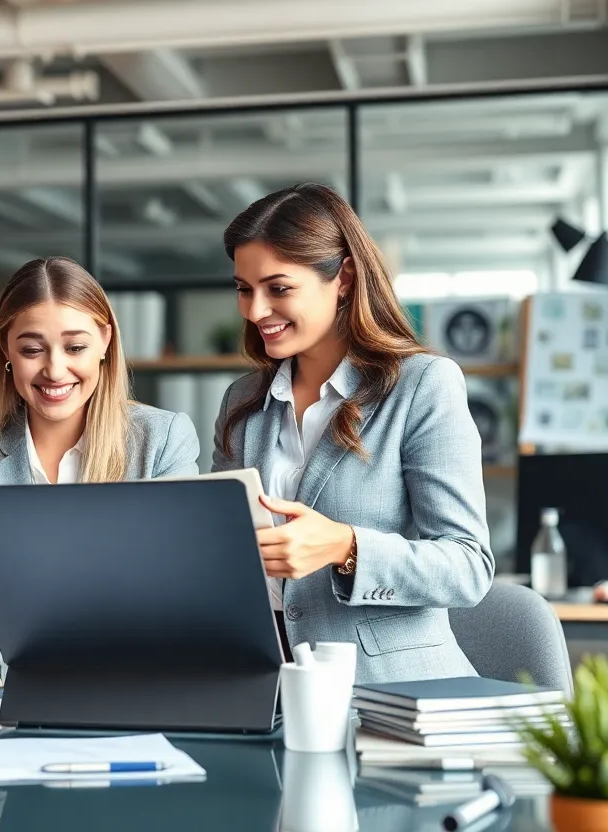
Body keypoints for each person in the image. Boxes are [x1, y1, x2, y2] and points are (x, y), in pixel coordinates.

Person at [212, 184, 494, 685]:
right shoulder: (242, 402)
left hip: (389, 693)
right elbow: (218, 548)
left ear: (342, 278)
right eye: (243, 289)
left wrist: (345, 546)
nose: (255, 311)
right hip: (258, 684)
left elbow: (467, 565)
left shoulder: (423, 385)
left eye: (278, 288)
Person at [0, 256, 201, 704]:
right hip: (18, 695)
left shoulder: (162, 439)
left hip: (141, 688)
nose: (55, 371)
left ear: (105, 341)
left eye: (75, 348)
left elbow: (180, 591)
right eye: (32, 350)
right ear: (6, 350)